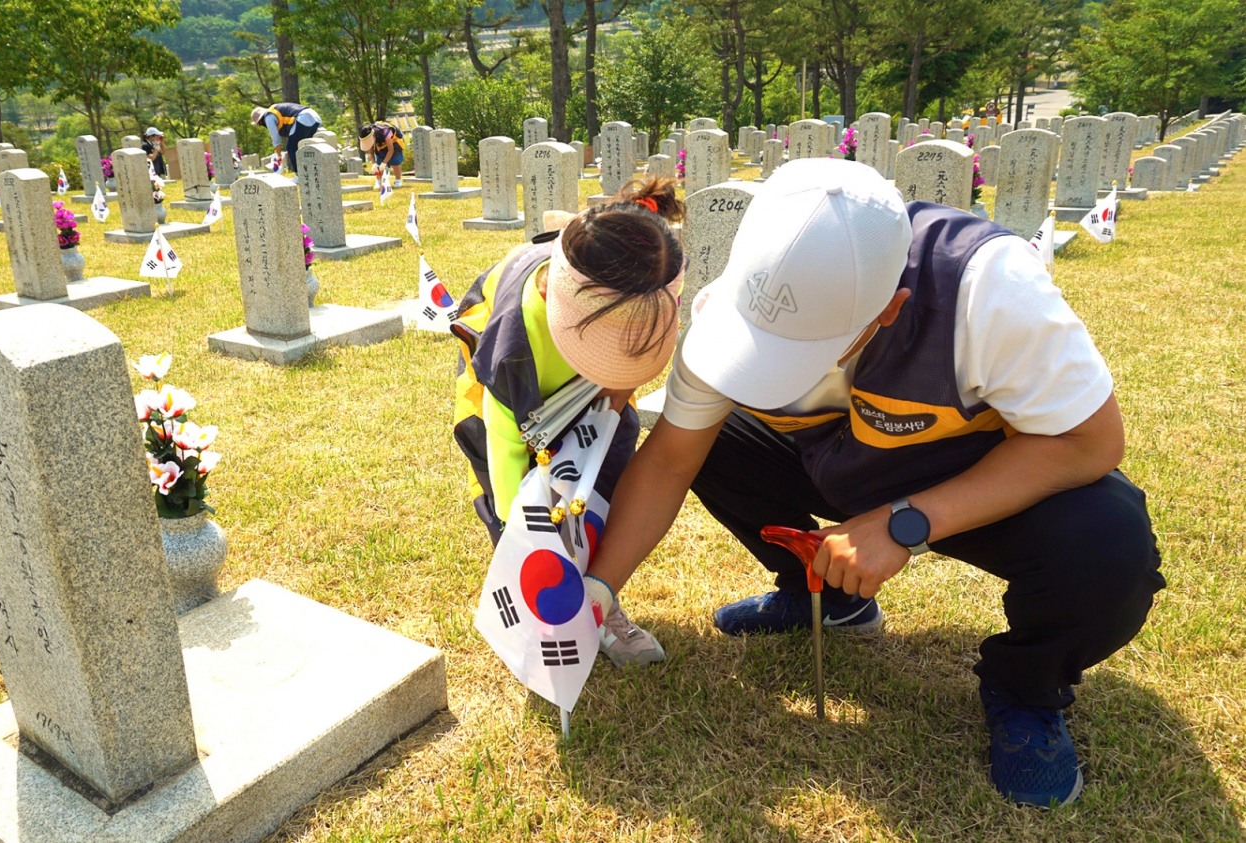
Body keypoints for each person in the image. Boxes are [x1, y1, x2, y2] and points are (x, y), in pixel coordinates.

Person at [585, 158, 1165, 806]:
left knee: (1110, 544)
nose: (774, 366)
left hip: (968, 477)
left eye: (803, 349)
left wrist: (904, 522)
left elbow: (1091, 443)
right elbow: (669, 461)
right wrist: (597, 591)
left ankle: (1025, 687)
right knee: (709, 440)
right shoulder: (736, 304)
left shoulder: (989, 289)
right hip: (834, 462)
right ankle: (828, 598)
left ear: (890, 307)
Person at [452, 178, 686, 668]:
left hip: (590, 398)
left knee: (600, 491)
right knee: (529, 508)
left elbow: (622, 383)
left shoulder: (636, 283)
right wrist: (526, 535)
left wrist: (614, 392)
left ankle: (599, 603)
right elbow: (507, 452)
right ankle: (537, 614)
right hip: (507, 407)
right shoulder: (513, 344)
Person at [251, 102, 323, 176]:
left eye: (259, 124)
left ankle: (299, 175)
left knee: (292, 148)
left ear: (261, 120)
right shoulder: (274, 110)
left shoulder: (268, 117)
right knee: (306, 148)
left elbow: (275, 137)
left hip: (303, 118)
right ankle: (313, 174)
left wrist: (278, 155)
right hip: (315, 117)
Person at [358, 121, 404, 186]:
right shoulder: (369, 137)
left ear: (373, 135)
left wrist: (384, 163)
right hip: (380, 146)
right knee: (379, 163)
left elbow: (391, 150)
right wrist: (374, 164)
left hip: (394, 144)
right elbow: (371, 152)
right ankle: (379, 181)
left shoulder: (385, 131)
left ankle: (398, 181)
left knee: (395, 160)